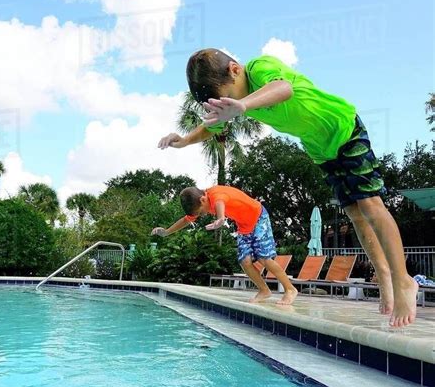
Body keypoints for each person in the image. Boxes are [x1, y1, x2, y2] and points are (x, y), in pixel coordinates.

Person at [158, 50, 418, 327]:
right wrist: (185, 140)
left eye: (230, 98)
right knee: (354, 214)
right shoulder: (238, 100)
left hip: (343, 127)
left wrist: (241, 106)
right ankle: (385, 278)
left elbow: (283, 88)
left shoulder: (260, 68)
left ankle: (404, 281)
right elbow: (212, 126)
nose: (232, 105)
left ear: (235, 70)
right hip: (320, 149)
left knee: (370, 205)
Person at [151, 185, 298, 305]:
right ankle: (264, 290)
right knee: (244, 261)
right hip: (244, 226)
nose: (202, 215)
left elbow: (220, 201)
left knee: (264, 259)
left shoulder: (216, 194)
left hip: (259, 217)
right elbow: (186, 220)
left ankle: (290, 289)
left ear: (203, 199)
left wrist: (220, 219)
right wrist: (167, 232)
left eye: (201, 212)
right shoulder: (200, 201)